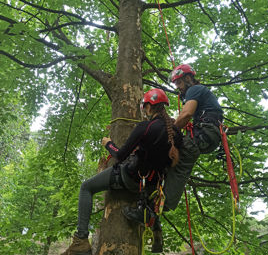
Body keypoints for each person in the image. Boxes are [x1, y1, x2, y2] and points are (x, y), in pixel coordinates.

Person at [61, 88, 183, 255]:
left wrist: (108, 143)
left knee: (86, 188)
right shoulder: (176, 133)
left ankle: (80, 240)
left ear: (148, 107)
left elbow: (119, 155)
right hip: (152, 188)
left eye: (145, 107)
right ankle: (156, 226)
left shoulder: (145, 127)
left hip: (130, 178)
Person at [163, 63, 223, 210]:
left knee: (178, 162)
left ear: (188, 78)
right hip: (208, 135)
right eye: (175, 83)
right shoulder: (201, 92)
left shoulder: (195, 89)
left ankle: (158, 207)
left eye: (179, 82)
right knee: (172, 160)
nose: (177, 87)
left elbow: (186, 114)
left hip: (204, 132)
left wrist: (169, 135)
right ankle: (160, 202)